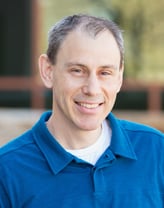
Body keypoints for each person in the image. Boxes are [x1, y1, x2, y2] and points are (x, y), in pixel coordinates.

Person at [0, 14, 164, 208]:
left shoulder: (156, 151)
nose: (92, 89)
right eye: (78, 70)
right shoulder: (7, 170)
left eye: (105, 73)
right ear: (47, 71)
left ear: (119, 78)